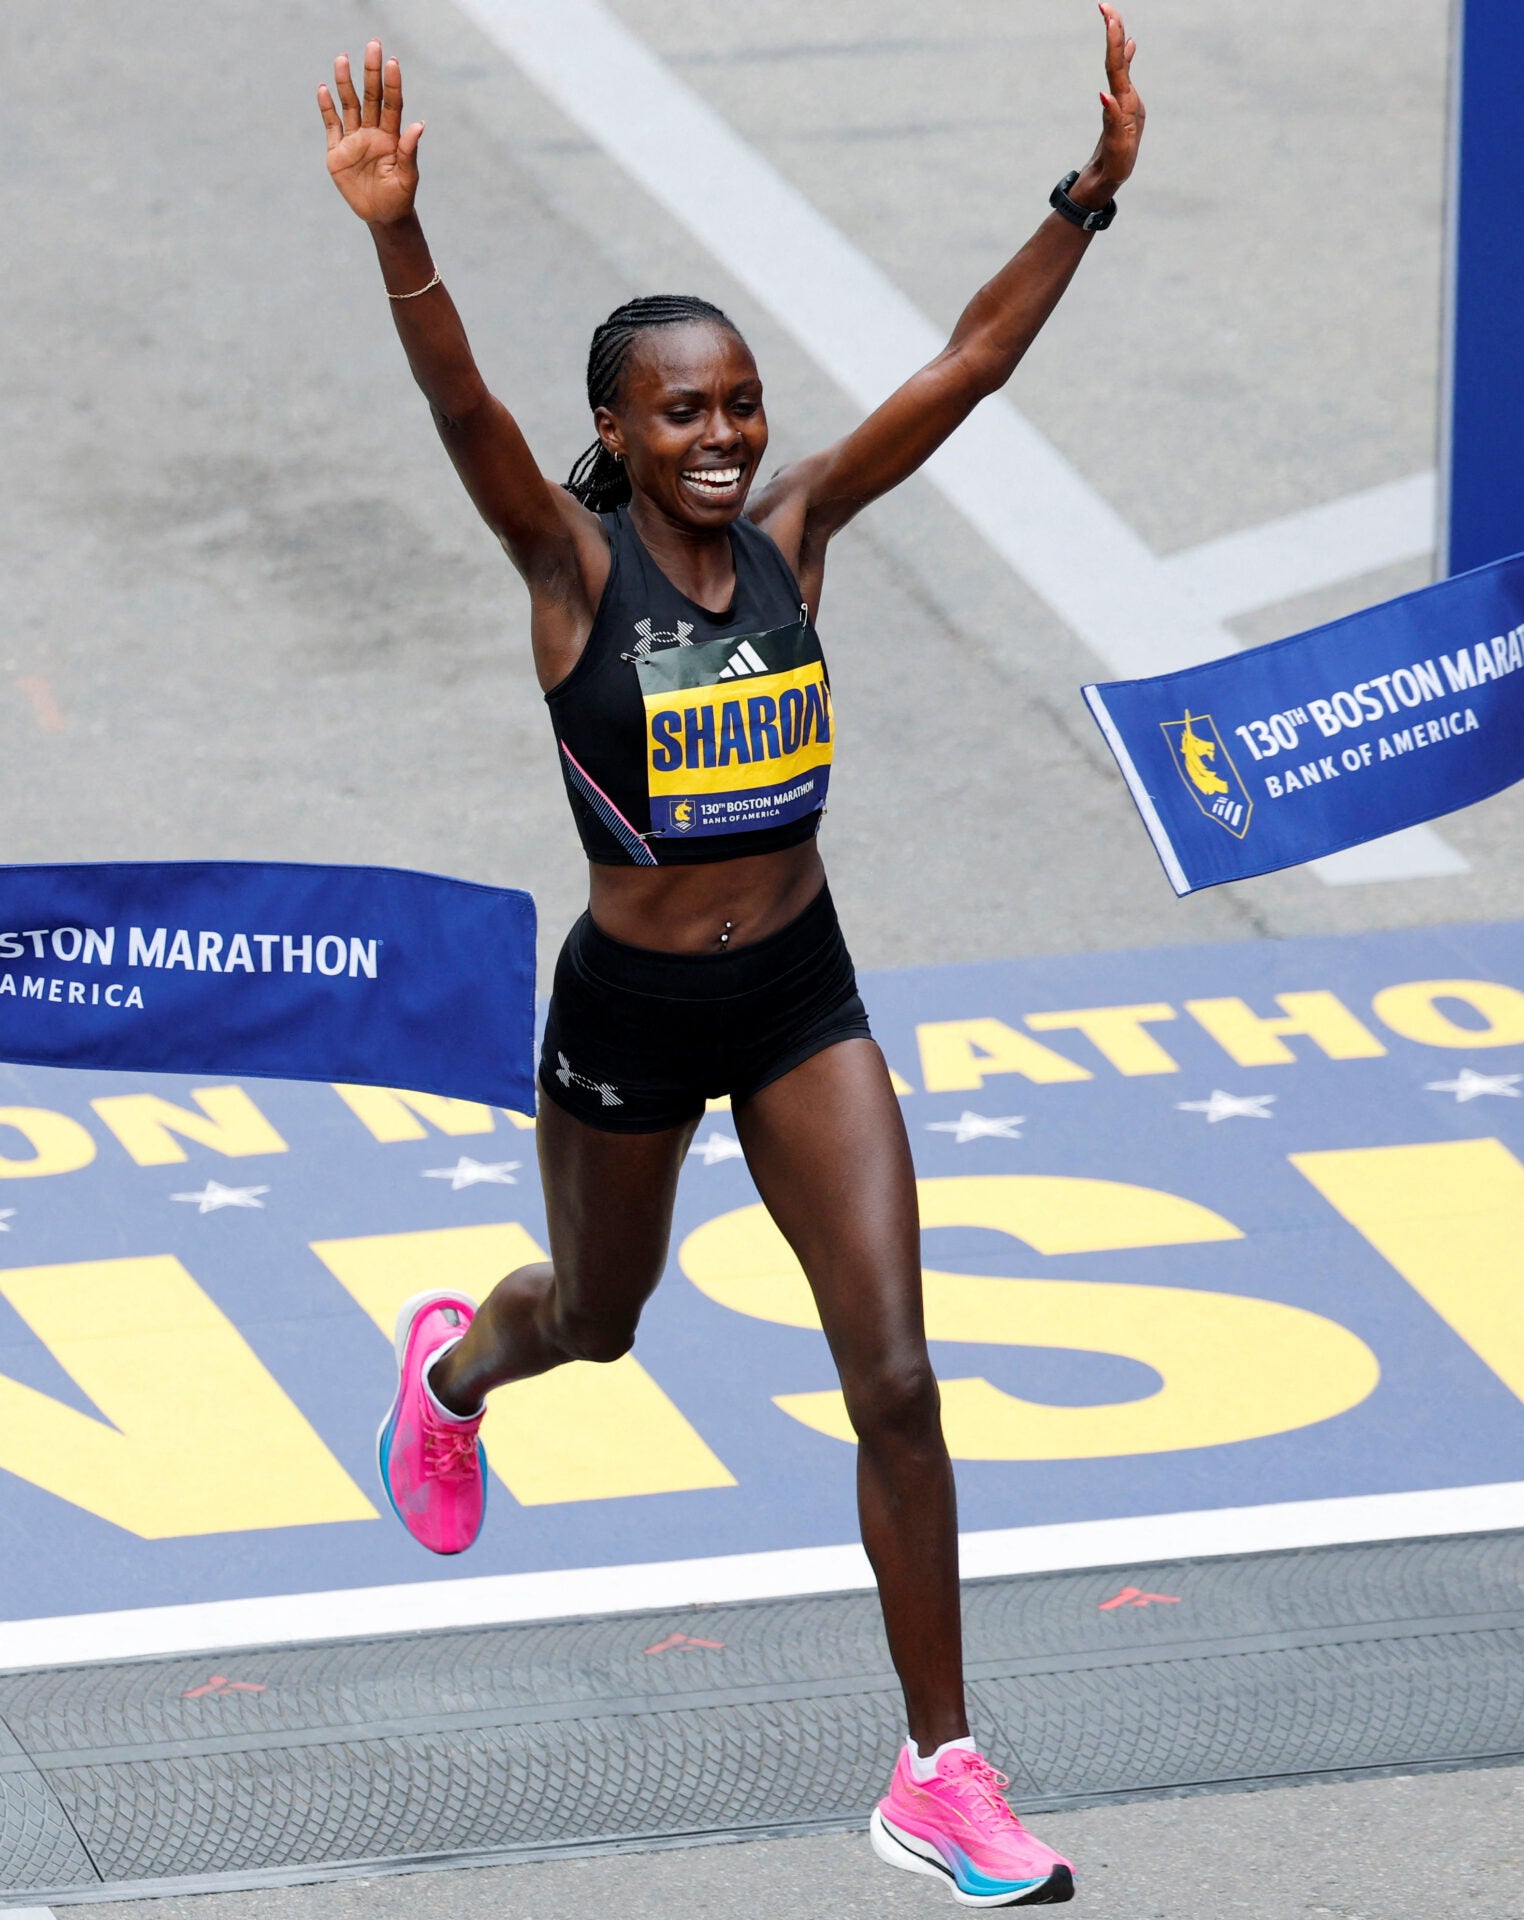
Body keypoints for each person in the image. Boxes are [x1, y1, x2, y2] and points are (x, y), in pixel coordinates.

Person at [318, 14, 1142, 1904]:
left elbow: (972, 362)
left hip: (797, 998)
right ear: (615, 431)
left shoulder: (801, 533)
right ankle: (453, 1376)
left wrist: (1086, 197)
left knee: (901, 1379)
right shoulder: (567, 572)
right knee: (598, 1328)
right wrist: (399, 233)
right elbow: (464, 419)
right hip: (628, 1018)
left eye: (740, 404)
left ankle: (940, 1767)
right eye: (680, 413)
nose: (721, 435)